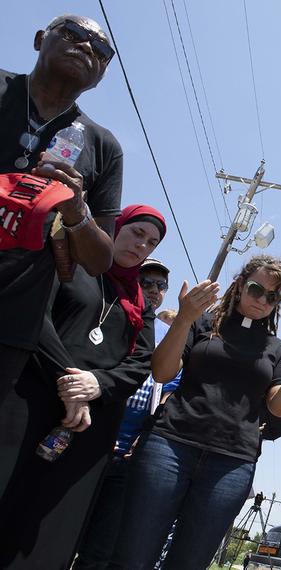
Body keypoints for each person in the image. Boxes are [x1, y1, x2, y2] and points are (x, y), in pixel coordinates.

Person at [108, 254, 281, 569]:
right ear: (239, 286)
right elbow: (162, 372)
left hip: (231, 463)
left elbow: (279, 407)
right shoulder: (202, 323)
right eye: (256, 289)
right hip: (170, 446)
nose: (262, 299)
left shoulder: (276, 348)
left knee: (190, 562)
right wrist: (184, 318)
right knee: (132, 555)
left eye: (272, 296)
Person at [0, 205, 164, 568]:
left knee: (49, 530)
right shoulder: (67, 257)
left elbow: (141, 362)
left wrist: (97, 384)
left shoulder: (141, 303)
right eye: (136, 233)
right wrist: (70, 381)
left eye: (150, 243)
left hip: (90, 422)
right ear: (115, 226)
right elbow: (35, 313)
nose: (141, 246)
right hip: (30, 397)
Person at [0, 13, 122, 496]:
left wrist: (76, 209)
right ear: (38, 39)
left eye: (100, 48)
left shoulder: (102, 146)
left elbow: (100, 260)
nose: (86, 46)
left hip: (12, 322)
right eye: (72, 33)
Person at [73, 257, 179, 569]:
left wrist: (143, 441)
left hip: (129, 456)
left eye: (161, 285)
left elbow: (169, 394)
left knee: (100, 548)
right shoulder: (113, 312)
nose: (155, 290)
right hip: (87, 437)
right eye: (147, 282)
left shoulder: (169, 340)